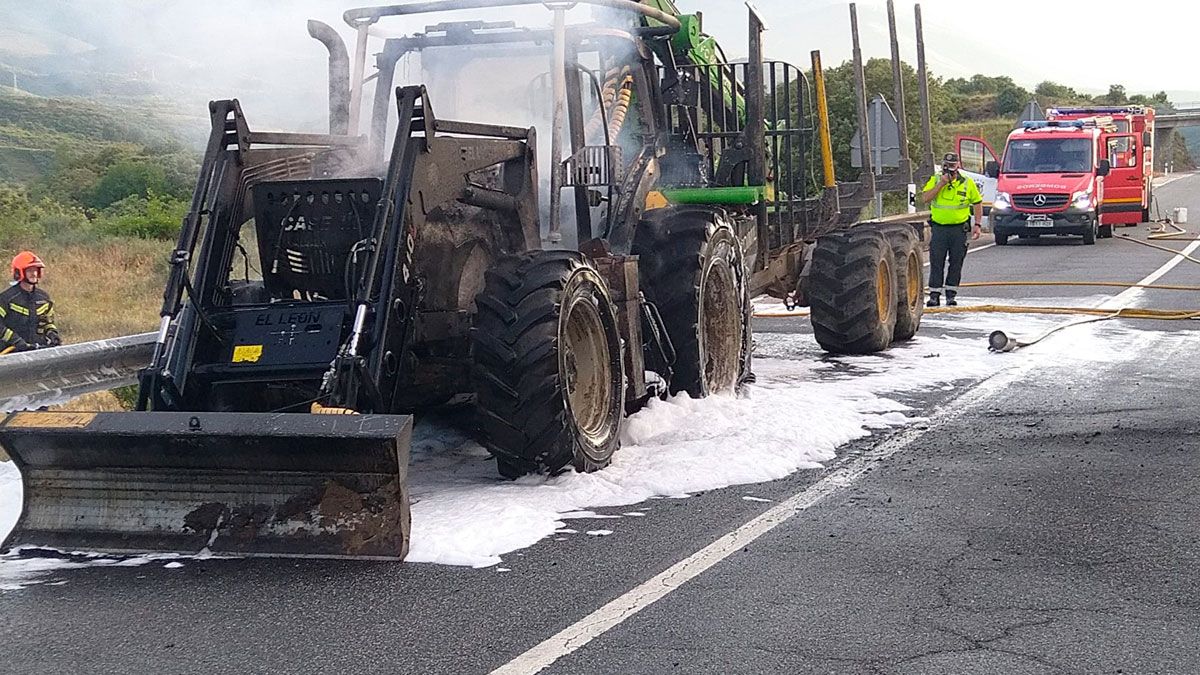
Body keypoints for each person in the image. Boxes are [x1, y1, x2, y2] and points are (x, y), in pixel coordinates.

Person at [921, 152, 983, 307]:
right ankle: (934, 295)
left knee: (956, 262)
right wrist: (941, 184)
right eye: (947, 165)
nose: (950, 169)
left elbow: (977, 203)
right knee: (937, 262)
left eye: (953, 166)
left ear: (958, 165)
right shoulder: (935, 179)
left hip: (959, 230)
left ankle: (951, 294)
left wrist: (978, 224)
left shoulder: (967, 182)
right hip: (939, 229)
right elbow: (924, 198)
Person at [0, 251, 61, 353]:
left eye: (36, 270)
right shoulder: (7, 298)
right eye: (29, 270)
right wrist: (16, 341)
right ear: (19, 272)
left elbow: (48, 322)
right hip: (11, 353)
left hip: (37, 351)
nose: (34, 274)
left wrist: (52, 333)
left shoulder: (43, 298)